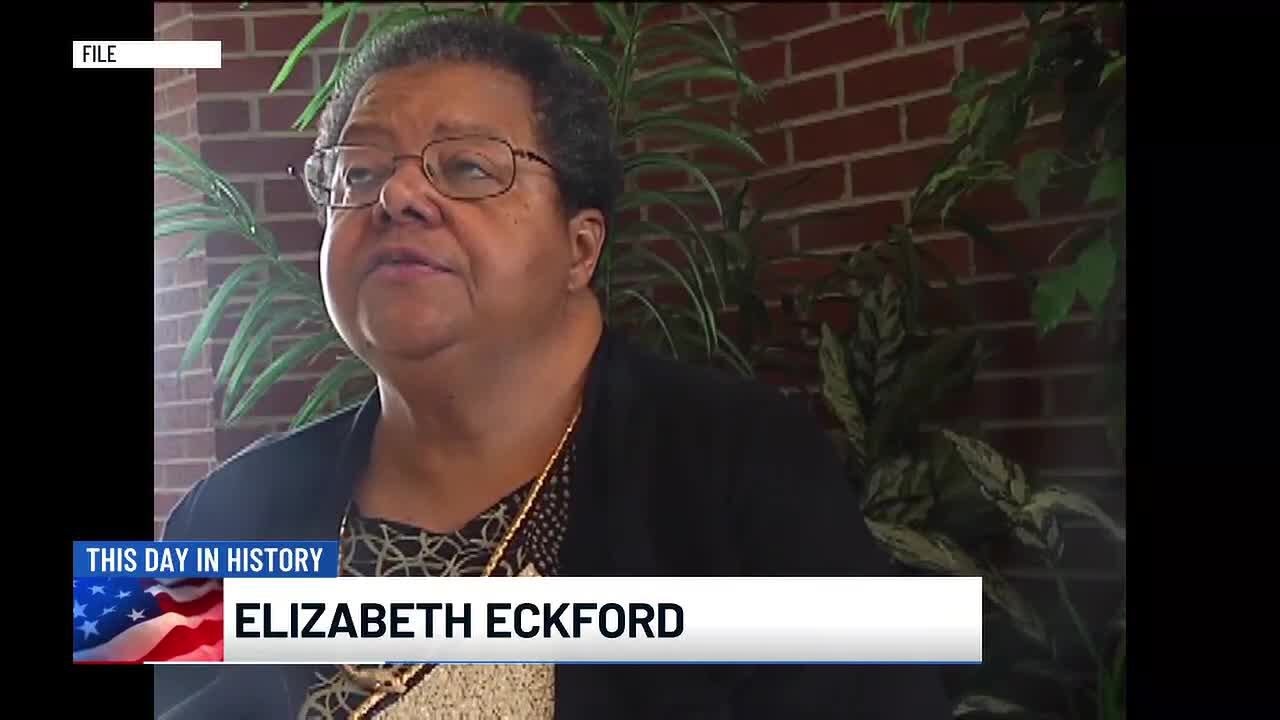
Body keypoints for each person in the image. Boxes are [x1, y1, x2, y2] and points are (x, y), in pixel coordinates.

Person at [155, 14, 952, 720]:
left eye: (467, 168)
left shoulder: (740, 471)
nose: (396, 195)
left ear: (580, 247)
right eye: (358, 173)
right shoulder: (225, 515)